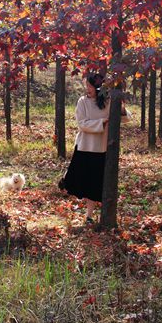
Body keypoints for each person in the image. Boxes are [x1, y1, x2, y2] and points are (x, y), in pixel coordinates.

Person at [60, 73, 130, 224]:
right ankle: (65, 183)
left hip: (102, 149)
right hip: (85, 147)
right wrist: (103, 122)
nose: (87, 89)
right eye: (87, 86)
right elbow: (82, 124)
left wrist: (121, 106)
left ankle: (89, 215)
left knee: (95, 183)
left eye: (90, 86)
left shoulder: (108, 101)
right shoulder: (82, 102)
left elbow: (125, 118)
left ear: (99, 88)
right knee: (76, 180)